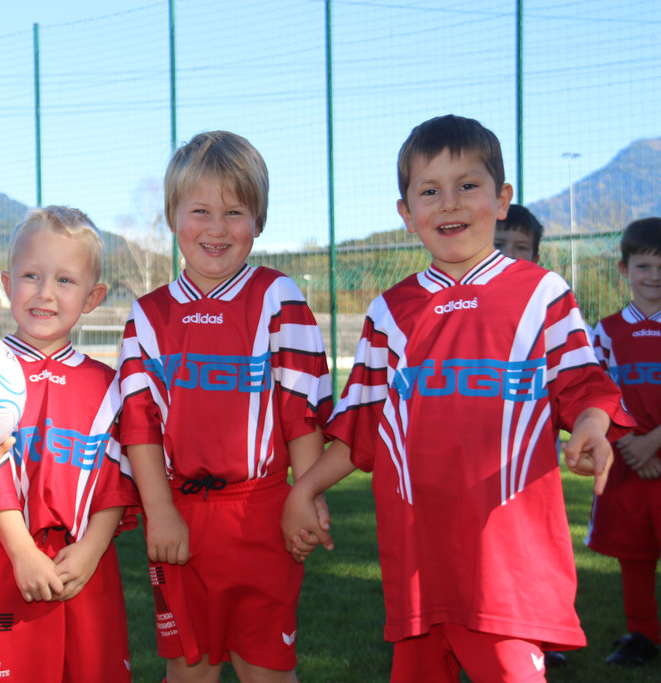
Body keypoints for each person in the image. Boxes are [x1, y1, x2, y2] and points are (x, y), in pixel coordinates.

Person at [282, 114, 634, 682]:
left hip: (507, 570)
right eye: (430, 191)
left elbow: (584, 385)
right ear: (406, 212)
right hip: (418, 567)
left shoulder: (542, 295)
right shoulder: (390, 312)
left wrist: (592, 426)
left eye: (467, 185)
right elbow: (364, 425)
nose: (449, 203)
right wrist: (306, 489)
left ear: (502, 200)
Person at [118, 130, 333, 683]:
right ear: (172, 216)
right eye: (200, 211)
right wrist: (159, 511)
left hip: (262, 512)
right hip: (179, 513)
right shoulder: (148, 316)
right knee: (188, 671)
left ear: (258, 221)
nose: (216, 229)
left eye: (234, 212)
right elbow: (139, 426)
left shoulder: (278, 298)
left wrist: (307, 494)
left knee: (267, 671)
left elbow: (301, 410)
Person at [0, 206, 140, 683]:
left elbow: (116, 480)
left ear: (93, 297)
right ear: (8, 284)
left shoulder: (109, 386)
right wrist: (22, 551)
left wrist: (92, 549)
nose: (45, 292)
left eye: (65, 280)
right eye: (32, 276)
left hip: (83, 567)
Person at [585, 217, 661, 667]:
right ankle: (643, 634)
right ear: (624, 269)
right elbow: (596, 391)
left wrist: (654, 442)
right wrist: (632, 442)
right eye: (644, 265)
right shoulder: (607, 330)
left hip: (650, 451)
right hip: (627, 460)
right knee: (633, 553)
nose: (654, 276)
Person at [495, 203, 566, 669]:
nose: (511, 255)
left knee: (532, 557)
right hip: (470, 473)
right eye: (501, 245)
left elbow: (577, 381)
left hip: (529, 469)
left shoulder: (547, 306)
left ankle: (541, 637)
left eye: (522, 248)